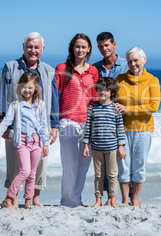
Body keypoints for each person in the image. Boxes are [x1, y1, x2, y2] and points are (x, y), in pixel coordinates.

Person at [0, 32, 59, 207]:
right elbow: (3, 94)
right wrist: (2, 122)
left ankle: (34, 198)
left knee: (39, 165)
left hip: (40, 127)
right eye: (29, 46)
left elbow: (54, 98)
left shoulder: (49, 71)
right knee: (15, 162)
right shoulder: (10, 67)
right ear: (23, 47)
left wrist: (54, 125)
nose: (33, 50)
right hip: (16, 126)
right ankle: (12, 197)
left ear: (42, 49)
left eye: (36, 47)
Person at [55, 33, 99, 207]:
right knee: (70, 164)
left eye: (84, 47)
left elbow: (95, 96)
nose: (80, 50)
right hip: (68, 121)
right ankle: (66, 201)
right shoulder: (61, 67)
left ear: (88, 49)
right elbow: (53, 94)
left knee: (83, 165)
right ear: (72, 48)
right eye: (77, 46)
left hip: (88, 122)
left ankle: (77, 199)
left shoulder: (93, 71)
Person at [0, 72, 49, 209]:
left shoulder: (41, 105)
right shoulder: (15, 105)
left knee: (32, 173)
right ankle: (8, 197)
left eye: (30, 87)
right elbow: (5, 122)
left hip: (36, 141)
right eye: (24, 87)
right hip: (22, 141)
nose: (27, 90)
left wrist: (46, 143)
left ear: (36, 88)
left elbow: (44, 126)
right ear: (20, 87)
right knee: (24, 171)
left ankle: (27, 203)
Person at [115, 47, 161, 206]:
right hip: (122, 129)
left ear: (144, 60)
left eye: (136, 60)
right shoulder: (120, 79)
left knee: (139, 166)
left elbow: (153, 106)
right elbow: (112, 102)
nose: (133, 64)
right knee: (123, 166)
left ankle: (135, 199)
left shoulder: (152, 80)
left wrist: (127, 109)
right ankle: (124, 199)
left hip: (144, 130)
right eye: (129, 61)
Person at [93, 32, 129, 205]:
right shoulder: (96, 68)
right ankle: (108, 198)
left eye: (107, 45)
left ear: (114, 44)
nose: (104, 49)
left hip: (121, 117)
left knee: (121, 163)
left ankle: (125, 198)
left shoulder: (125, 66)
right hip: (102, 117)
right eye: (100, 46)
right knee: (104, 163)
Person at [82, 77, 126, 207]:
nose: (102, 92)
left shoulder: (115, 108)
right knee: (98, 175)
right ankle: (98, 200)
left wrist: (121, 147)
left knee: (112, 174)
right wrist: (86, 145)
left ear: (112, 92)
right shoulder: (93, 108)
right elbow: (88, 126)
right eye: (100, 90)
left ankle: (113, 199)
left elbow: (120, 129)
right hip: (96, 148)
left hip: (112, 148)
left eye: (106, 90)